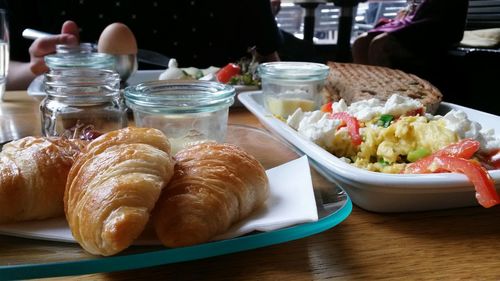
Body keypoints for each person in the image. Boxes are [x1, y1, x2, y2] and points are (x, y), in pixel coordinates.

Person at [0, 0, 283, 90]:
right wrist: (35, 69)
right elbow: (6, 73)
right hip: (78, 121)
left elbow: (272, 67)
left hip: (219, 126)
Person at [351, 0, 469, 69]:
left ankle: (386, 92)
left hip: (438, 25)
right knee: (360, 42)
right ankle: (366, 88)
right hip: (417, 21)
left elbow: (446, 18)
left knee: (380, 44)